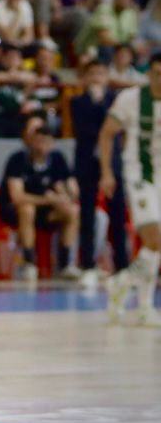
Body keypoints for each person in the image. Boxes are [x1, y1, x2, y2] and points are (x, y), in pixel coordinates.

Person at [100, 55, 161, 327]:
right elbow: (107, 133)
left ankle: (136, 298)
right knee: (154, 239)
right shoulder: (131, 99)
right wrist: (106, 172)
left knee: (154, 247)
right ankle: (130, 290)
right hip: (139, 176)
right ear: (149, 74)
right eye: (157, 73)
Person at [0, 114, 81, 282]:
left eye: (46, 141)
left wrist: (64, 194)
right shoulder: (18, 159)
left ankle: (66, 264)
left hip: (47, 212)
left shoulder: (58, 159)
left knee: (72, 211)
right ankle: (29, 263)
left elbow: (73, 190)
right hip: (16, 212)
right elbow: (17, 197)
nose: (42, 145)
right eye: (39, 139)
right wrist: (47, 199)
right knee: (27, 209)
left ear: (53, 142)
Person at [71, 60, 130, 284]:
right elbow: (85, 130)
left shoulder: (115, 101)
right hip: (87, 163)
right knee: (87, 214)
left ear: (107, 78)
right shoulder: (77, 102)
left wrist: (102, 104)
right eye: (93, 73)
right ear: (85, 78)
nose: (97, 78)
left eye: (101, 73)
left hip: (112, 164)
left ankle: (122, 265)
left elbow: (114, 129)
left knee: (117, 213)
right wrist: (95, 103)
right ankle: (88, 265)